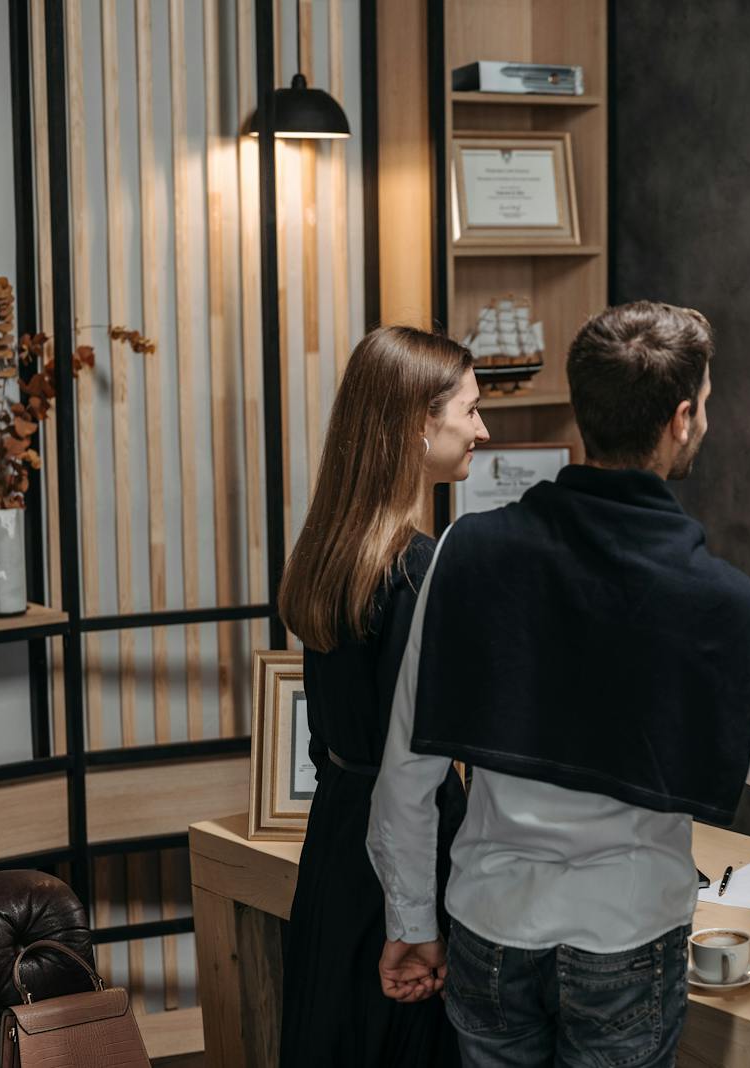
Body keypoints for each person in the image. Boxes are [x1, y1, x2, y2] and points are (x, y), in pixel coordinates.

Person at [366, 301, 750, 1067]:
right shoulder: (726, 605)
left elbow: (407, 771)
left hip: (488, 930)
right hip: (624, 938)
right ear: (682, 420)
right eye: (704, 406)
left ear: (583, 409)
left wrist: (410, 923)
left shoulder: (466, 552)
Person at [278, 326, 489, 1067]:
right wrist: (417, 917)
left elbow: (327, 740)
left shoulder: (325, 553)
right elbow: (415, 769)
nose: (482, 431)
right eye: (470, 411)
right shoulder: (418, 568)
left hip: (336, 833)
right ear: (416, 425)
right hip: (408, 853)